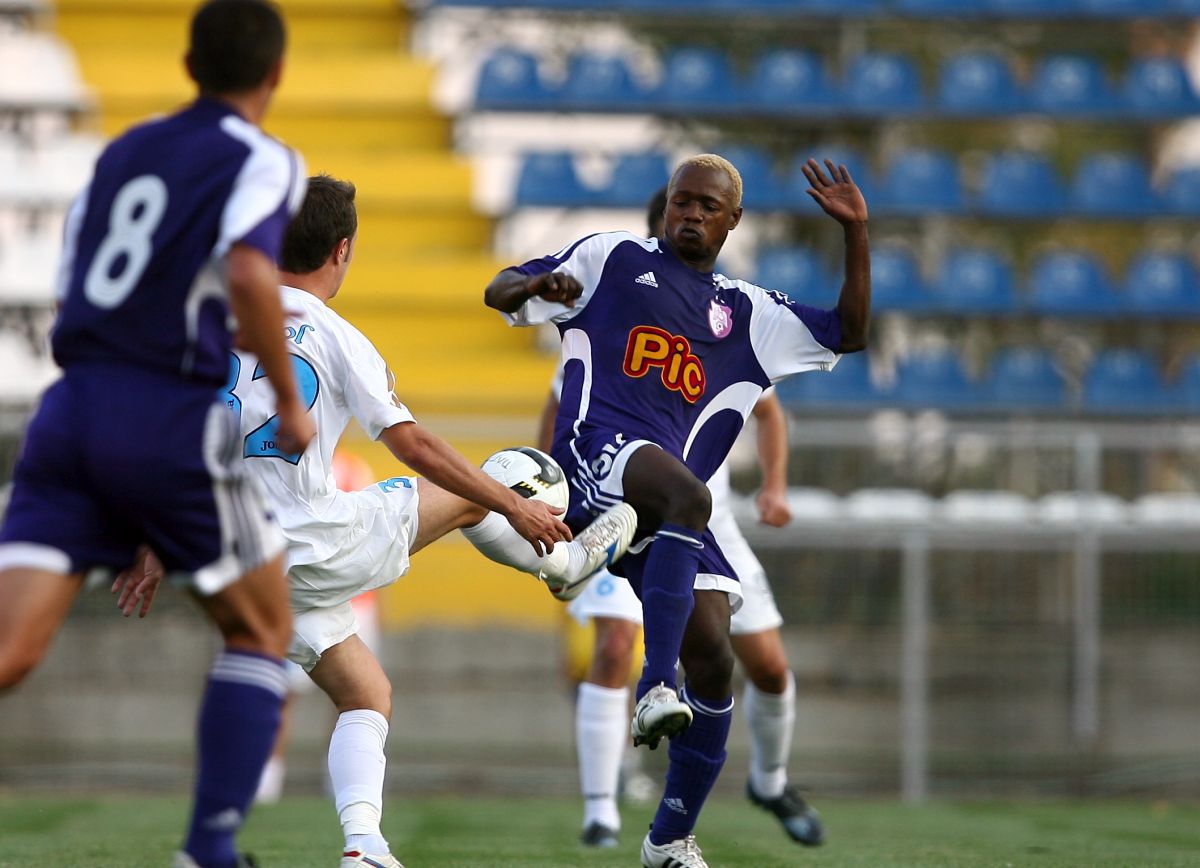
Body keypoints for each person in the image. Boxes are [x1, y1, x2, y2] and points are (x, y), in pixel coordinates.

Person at [120, 174, 639, 868]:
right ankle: (564, 566)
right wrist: (512, 507)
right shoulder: (333, 335)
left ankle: (364, 846)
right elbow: (415, 446)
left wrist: (153, 544)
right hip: (317, 543)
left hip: (239, 560)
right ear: (343, 251)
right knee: (512, 473)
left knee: (365, 691)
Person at [486, 153, 869, 867]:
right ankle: (653, 683)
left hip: (666, 511)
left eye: (706, 206)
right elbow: (498, 291)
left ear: (732, 220)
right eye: (681, 202)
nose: (689, 213)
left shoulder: (747, 312)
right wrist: (534, 284)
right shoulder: (612, 257)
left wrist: (855, 234)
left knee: (719, 664)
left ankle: (668, 839)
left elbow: (849, 331)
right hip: (596, 454)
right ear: (667, 208)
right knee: (687, 504)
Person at [0, 3, 313, 867]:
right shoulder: (265, 159)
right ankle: (208, 852)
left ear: (188, 62)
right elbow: (250, 267)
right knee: (259, 630)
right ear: (275, 74)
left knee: (11, 650)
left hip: (69, 410)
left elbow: (78, 290)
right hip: (166, 411)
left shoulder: (123, 148)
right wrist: (288, 399)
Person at [542, 187, 823, 850]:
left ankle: (768, 780)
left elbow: (769, 409)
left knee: (763, 669)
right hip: (626, 500)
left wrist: (776, 486)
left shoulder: (723, 318)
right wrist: (555, 500)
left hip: (711, 523)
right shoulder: (611, 316)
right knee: (615, 649)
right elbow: (559, 418)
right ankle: (602, 809)